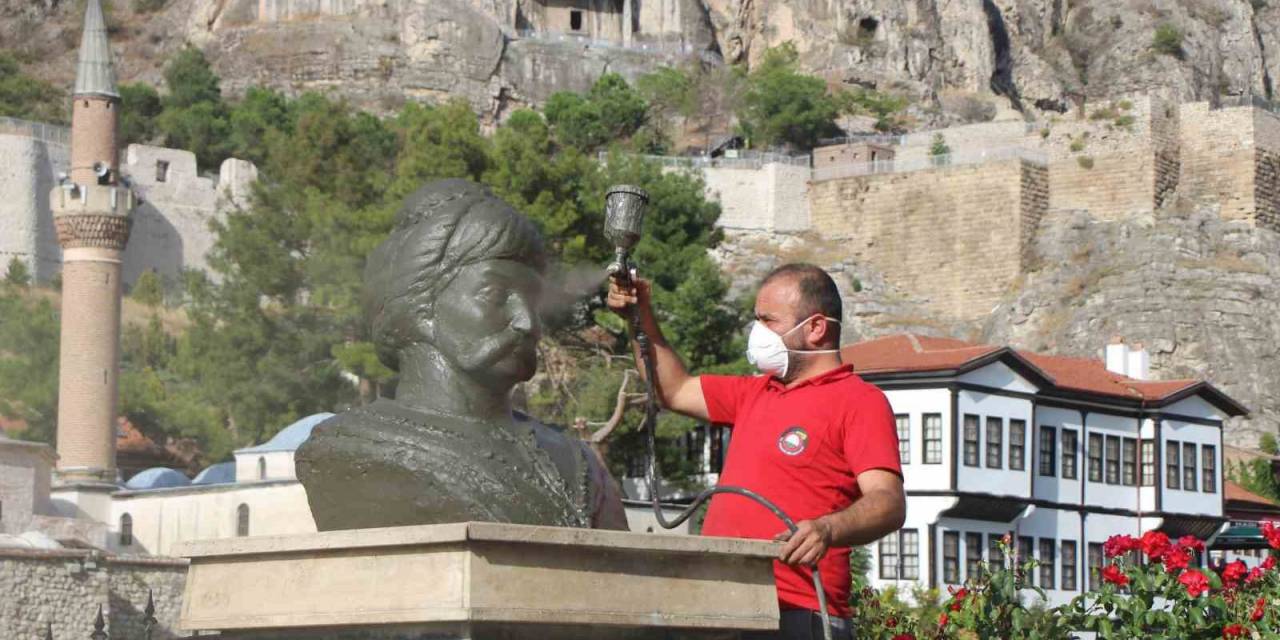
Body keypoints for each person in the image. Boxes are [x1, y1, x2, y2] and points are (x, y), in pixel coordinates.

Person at [298, 179, 627, 531]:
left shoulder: (577, 465)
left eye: (532, 300)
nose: (527, 321)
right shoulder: (354, 449)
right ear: (420, 309)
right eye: (495, 294)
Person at [608, 263, 906, 640]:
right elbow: (675, 389)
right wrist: (639, 316)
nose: (757, 333)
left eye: (769, 320)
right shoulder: (755, 391)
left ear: (815, 328)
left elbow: (888, 501)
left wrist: (829, 528)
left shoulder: (860, 401)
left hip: (799, 610)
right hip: (720, 602)